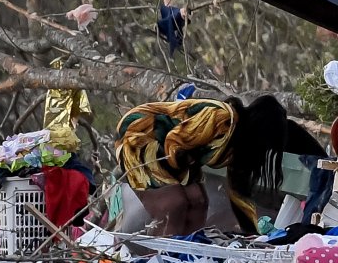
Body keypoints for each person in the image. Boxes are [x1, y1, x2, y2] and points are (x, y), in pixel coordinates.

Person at [115, 95, 325, 235]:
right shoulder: (223, 117)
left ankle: (189, 249)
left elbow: (238, 195)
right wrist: (179, 180)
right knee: (174, 204)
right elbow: (175, 141)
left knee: (198, 202)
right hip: (140, 137)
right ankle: (165, 255)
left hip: (176, 156)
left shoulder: (237, 148)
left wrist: (253, 234)